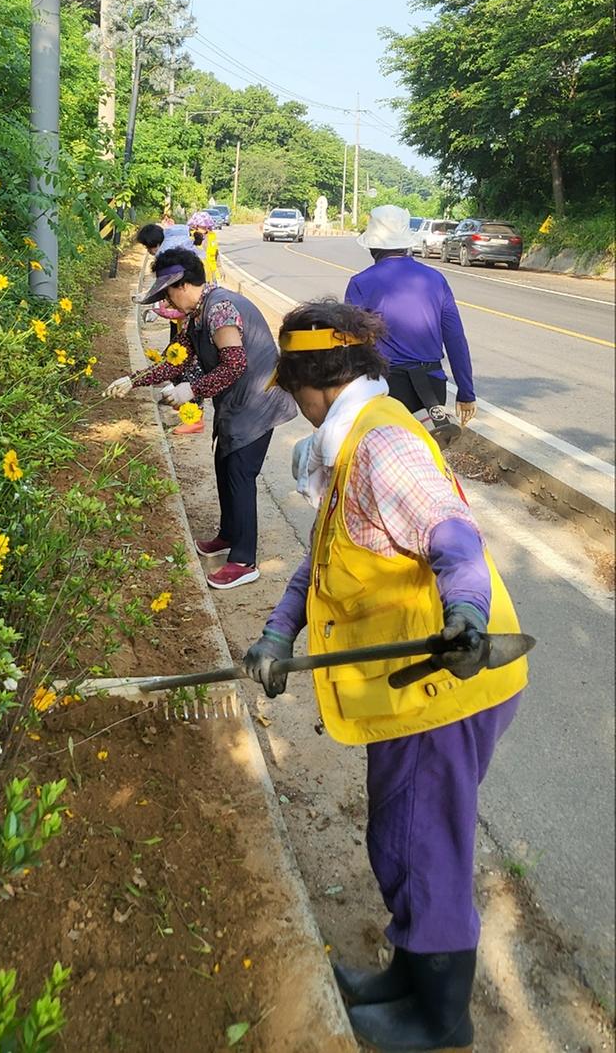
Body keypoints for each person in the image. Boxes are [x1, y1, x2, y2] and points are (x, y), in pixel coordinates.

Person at [243, 298, 527, 1053]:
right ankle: (409, 978)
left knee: (420, 842)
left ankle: (439, 1018)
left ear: (313, 383)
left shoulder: (383, 448)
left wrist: (464, 610)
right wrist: (278, 629)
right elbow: (328, 555)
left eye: (293, 392)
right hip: (414, 682)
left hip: (442, 675)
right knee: (403, 836)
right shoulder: (356, 444)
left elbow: (452, 535)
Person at [103, 247, 296, 589]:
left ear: (182, 285)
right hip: (235, 404)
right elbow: (177, 361)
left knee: (240, 474)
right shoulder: (197, 314)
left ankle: (243, 560)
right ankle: (228, 535)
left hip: (258, 402)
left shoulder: (220, 308)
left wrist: (191, 391)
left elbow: (235, 364)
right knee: (224, 466)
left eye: (168, 294)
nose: (168, 303)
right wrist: (133, 380)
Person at [345, 205, 476, 444]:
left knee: (387, 465)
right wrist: (466, 392)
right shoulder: (436, 280)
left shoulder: (360, 283)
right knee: (425, 461)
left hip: (383, 390)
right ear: (406, 244)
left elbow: (351, 346)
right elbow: (455, 338)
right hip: (431, 390)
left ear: (373, 246)